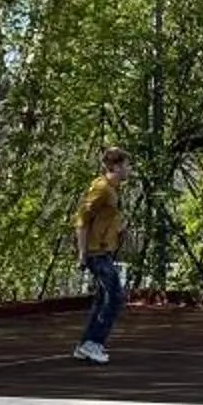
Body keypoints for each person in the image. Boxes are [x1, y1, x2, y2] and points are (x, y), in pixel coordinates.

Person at [71, 146, 130, 366]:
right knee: (115, 296)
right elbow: (81, 220)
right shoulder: (102, 189)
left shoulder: (113, 190)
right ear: (115, 166)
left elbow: (105, 220)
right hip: (96, 253)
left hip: (104, 250)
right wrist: (82, 253)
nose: (129, 170)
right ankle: (94, 342)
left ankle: (86, 344)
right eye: (126, 165)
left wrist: (119, 228)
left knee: (103, 298)